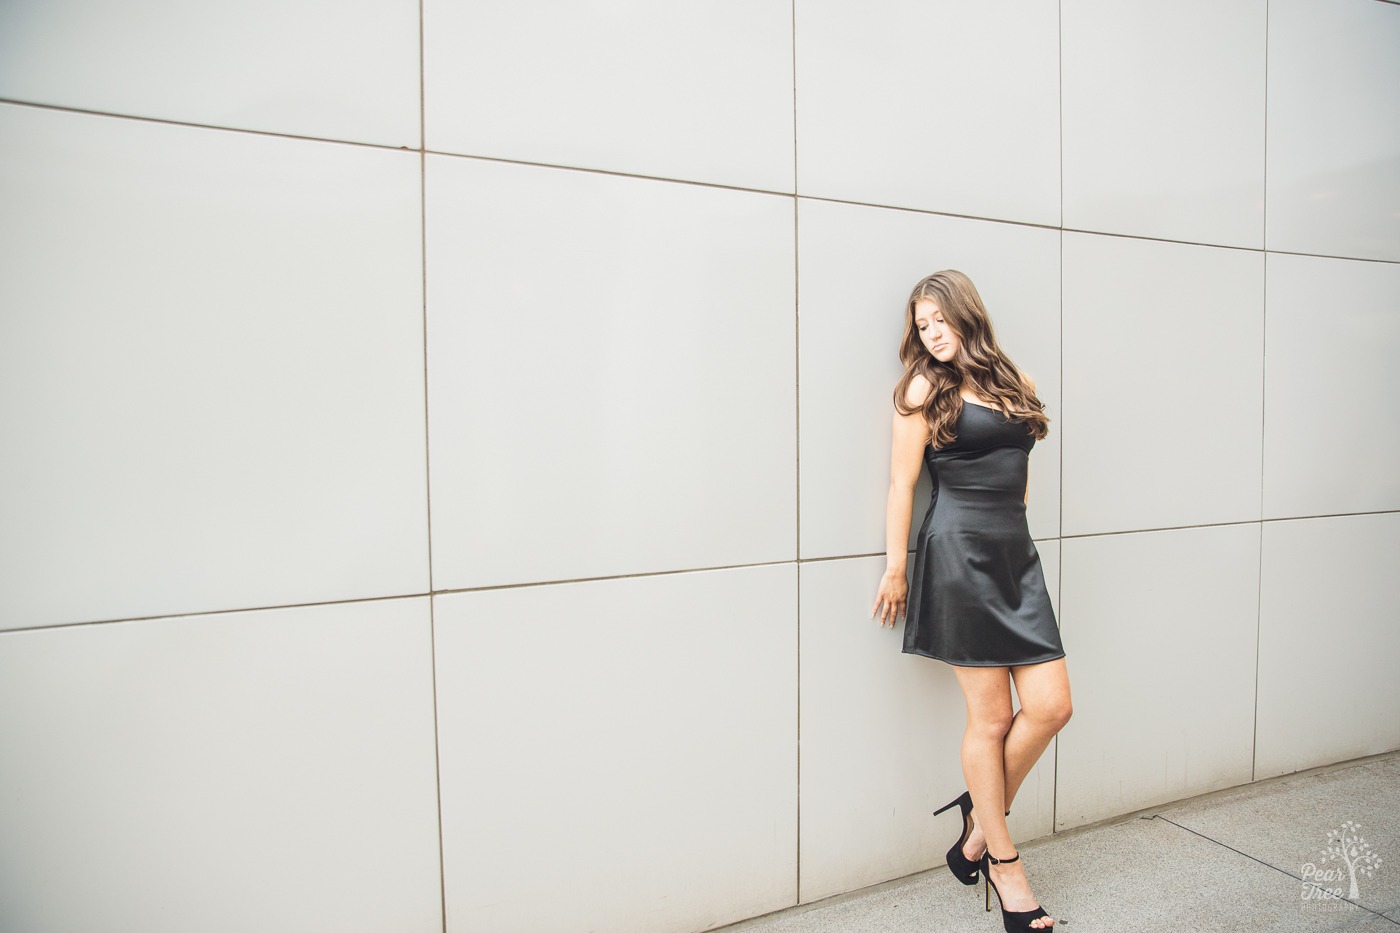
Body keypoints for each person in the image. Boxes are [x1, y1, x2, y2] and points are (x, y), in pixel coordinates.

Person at [870, 270, 1073, 932]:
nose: (929, 332)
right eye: (919, 324)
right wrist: (897, 567)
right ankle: (1005, 866)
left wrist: (1017, 545)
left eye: (937, 318)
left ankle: (975, 826)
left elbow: (1020, 486)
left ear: (965, 313)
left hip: (1016, 558)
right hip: (956, 557)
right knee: (990, 722)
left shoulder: (1019, 384)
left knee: (1051, 707)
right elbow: (903, 484)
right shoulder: (921, 388)